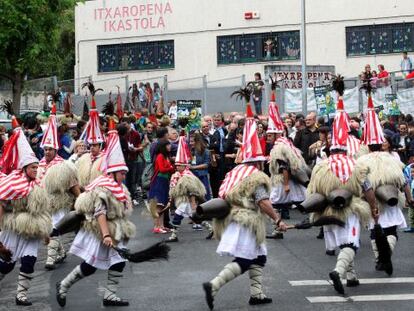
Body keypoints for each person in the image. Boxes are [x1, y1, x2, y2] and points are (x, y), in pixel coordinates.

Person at [202, 103, 287, 310]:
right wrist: (277, 219)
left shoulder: (234, 173)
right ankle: (214, 285)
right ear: (257, 160)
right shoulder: (255, 176)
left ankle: (256, 293)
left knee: (259, 255)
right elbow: (262, 201)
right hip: (246, 221)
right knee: (245, 259)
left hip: (233, 218)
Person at [56, 120, 136, 307]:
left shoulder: (119, 187)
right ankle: (64, 285)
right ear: (113, 172)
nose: (124, 176)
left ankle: (109, 295)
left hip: (114, 229)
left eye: (125, 173)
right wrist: (106, 234)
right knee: (92, 266)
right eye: (121, 173)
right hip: (102, 230)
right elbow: (100, 212)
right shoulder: (104, 187)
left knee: (116, 262)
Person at [306, 92, 372, 295]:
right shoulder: (356, 165)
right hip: (349, 209)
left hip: (327, 211)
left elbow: (313, 191)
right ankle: (338, 271)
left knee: (343, 243)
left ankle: (351, 276)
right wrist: (374, 206)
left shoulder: (322, 166)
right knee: (350, 244)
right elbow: (368, 188)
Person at [356, 94, 411, 276]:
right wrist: (409, 198)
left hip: (375, 201)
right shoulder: (390, 159)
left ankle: (381, 258)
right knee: (390, 230)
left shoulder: (362, 161)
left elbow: (362, 185)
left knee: (376, 230)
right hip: (390, 199)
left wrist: (366, 203)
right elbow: (403, 181)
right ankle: (384, 257)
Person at [0, 118, 51, 306]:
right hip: (14, 227)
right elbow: (1, 203)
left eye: (37, 167)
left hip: (33, 230)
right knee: (6, 265)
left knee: (29, 262)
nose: (36, 170)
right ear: (24, 168)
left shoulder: (38, 183)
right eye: (32, 167)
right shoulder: (12, 183)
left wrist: (45, 232)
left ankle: (21, 296)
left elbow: (43, 209)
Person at [167, 135, 206, 242]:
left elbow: (192, 191)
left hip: (187, 200)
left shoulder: (187, 176)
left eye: (179, 165)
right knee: (195, 217)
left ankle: (174, 236)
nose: (177, 167)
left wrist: (193, 203)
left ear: (184, 166)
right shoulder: (177, 174)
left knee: (177, 217)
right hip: (182, 200)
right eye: (176, 165)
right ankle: (210, 228)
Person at [77, 97, 105, 188]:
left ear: (100, 146)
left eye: (95, 145)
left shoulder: (105, 159)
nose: (92, 147)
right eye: (91, 145)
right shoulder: (84, 158)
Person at [148, 140, 175, 233]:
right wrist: (171, 167)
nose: (170, 146)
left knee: (163, 205)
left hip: (164, 181)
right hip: (159, 181)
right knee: (158, 204)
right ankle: (156, 226)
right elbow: (162, 169)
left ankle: (162, 226)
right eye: (168, 145)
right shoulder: (160, 156)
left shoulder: (166, 156)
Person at [189, 132, 212, 201]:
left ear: (197, 141)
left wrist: (194, 167)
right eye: (190, 141)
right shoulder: (191, 151)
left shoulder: (205, 151)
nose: (190, 143)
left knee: (204, 195)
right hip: (192, 176)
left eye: (192, 141)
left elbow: (206, 164)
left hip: (202, 176)